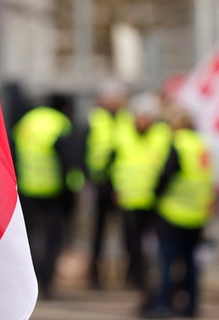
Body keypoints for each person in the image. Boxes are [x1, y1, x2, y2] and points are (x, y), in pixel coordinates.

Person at [142, 107, 214, 319]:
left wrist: (154, 196)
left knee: (167, 263)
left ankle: (163, 304)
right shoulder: (202, 145)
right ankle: (191, 305)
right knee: (191, 263)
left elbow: (166, 176)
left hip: (173, 213)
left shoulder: (178, 144)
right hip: (197, 214)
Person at [11, 94, 82, 299]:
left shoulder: (27, 121)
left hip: (25, 188)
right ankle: (46, 281)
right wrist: (72, 189)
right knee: (53, 239)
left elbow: (12, 151)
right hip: (53, 191)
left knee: (27, 238)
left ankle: (26, 282)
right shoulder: (60, 123)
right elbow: (69, 159)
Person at [110, 92, 171, 295]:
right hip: (129, 198)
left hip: (154, 199)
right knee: (131, 243)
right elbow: (114, 162)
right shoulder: (123, 132)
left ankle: (151, 277)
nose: (142, 120)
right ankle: (137, 277)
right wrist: (115, 189)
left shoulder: (163, 134)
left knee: (152, 245)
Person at [85, 78, 130, 289]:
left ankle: (129, 276)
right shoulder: (95, 119)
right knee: (98, 232)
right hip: (101, 181)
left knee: (128, 232)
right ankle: (94, 275)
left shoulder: (127, 119)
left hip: (124, 183)